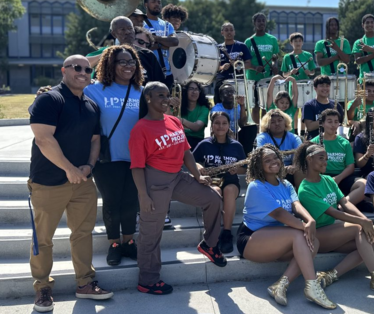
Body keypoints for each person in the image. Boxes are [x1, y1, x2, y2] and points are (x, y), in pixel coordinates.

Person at [29, 55, 113, 312]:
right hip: (48, 183)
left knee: (82, 234)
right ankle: (43, 287)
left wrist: (88, 166)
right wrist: (69, 169)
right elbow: (43, 139)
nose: (83, 72)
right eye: (77, 68)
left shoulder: (91, 104)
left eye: (88, 69)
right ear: (64, 70)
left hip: (83, 182)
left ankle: (85, 283)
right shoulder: (49, 99)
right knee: (42, 239)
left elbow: (95, 140)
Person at [129, 82, 226, 296]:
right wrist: (143, 195)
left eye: (167, 95)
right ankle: (148, 279)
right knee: (151, 233)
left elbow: (186, 153)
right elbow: (136, 166)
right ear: (148, 99)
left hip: (178, 177)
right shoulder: (140, 128)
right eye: (160, 95)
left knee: (213, 199)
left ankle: (209, 245)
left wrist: (197, 175)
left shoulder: (173, 120)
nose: (166, 99)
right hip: (155, 181)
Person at [238, 145, 336, 309]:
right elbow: (278, 214)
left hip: (276, 241)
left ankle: (281, 285)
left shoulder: (285, 184)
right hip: (251, 239)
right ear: (259, 165)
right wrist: (304, 226)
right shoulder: (256, 186)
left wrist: (310, 220)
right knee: (299, 235)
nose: (273, 162)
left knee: (314, 242)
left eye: (275, 157)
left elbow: (296, 205)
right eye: (266, 160)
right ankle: (312, 286)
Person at [83, 45, 143, 267]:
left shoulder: (142, 91)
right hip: (106, 157)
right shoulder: (94, 90)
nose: (128, 66)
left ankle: (129, 241)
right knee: (111, 202)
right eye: (122, 62)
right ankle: (114, 244)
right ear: (110, 64)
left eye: (131, 62)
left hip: (136, 157)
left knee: (130, 202)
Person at [294, 142, 374, 289]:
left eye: (326, 159)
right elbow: (334, 212)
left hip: (336, 231)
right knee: (359, 229)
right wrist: (362, 222)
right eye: (321, 158)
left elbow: (345, 203)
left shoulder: (328, 180)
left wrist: (365, 219)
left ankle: (331, 274)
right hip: (318, 236)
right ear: (309, 159)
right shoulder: (305, 189)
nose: (325, 162)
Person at [193, 112, 247, 254]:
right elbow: (192, 161)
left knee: (229, 191)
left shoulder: (237, 146)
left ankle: (227, 233)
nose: (220, 126)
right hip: (212, 181)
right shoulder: (204, 144)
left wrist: (238, 169)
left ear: (229, 126)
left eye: (224, 123)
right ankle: (213, 234)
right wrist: (200, 168)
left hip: (231, 181)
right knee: (215, 193)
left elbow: (245, 168)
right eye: (217, 123)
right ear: (212, 125)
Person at [85, 17, 165, 85]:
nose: (127, 32)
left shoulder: (148, 55)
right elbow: (99, 82)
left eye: (130, 28)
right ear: (114, 34)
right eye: (122, 29)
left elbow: (159, 83)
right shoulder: (108, 56)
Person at [310, 109, 365, 207]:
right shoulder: (314, 142)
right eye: (329, 121)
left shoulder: (344, 143)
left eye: (336, 122)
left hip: (341, 177)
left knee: (364, 184)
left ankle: (342, 206)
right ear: (322, 124)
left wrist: (338, 178)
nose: (333, 125)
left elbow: (350, 166)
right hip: (322, 177)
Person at [245, 12, 281, 121]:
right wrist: (254, 67)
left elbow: (275, 58)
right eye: (259, 21)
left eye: (263, 20)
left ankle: (264, 130)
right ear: (254, 23)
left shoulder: (272, 39)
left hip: (268, 78)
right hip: (253, 78)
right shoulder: (248, 41)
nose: (261, 23)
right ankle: (256, 132)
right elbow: (246, 63)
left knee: (267, 105)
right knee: (255, 107)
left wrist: (275, 66)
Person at [255, 109, 303, 187]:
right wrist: (281, 168)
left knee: (300, 168)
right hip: (270, 169)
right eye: (273, 122)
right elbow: (259, 158)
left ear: (285, 122)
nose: (277, 124)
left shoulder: (294, 138)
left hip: (291, 171)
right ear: (267, 125)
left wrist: (293, 167)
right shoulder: (262, 138)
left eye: (280, 120)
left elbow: (300, 157)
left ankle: (300, 195)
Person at [143, 0, 179, 89]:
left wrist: (155, 39)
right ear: (146, 5)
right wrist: (163, 44)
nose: (157, 4)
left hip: (166, 73)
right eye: (153, 2)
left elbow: (175, 41)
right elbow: (143, 47)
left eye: (159, 2)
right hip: (147, 73)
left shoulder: (167, 25)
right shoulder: (141, 23)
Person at [215, 22, 252, 103]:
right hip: (222, 80)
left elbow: (248, 64)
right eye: (226, 30)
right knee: (220, 102)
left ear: (234, 32)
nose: (229, 32)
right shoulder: (217, 48)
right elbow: (214, 67)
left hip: (238, 79)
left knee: (240, 104)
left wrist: (237, 66)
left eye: (231, 30)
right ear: (222, 32)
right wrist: (222, 67)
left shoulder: (242, 46)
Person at [302, 75, 344, 140]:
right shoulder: (309, 105)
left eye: (327, 86)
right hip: (315, 141)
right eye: (321, 86)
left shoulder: (336, 105)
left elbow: (343, 122)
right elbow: (310, 127)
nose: (325, 88)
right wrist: (326, 120)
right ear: (315, 88)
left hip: (332, 140)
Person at [180, 80, 211, 151]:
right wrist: (169, 103)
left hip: (196, 142)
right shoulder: (179, 106)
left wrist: (181, 121)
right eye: (191, 89)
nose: (194, 92)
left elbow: (197, 127)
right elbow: (167, 118)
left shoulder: (204, 109)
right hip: (180, 139)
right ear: (185, 91)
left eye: (196, 89)